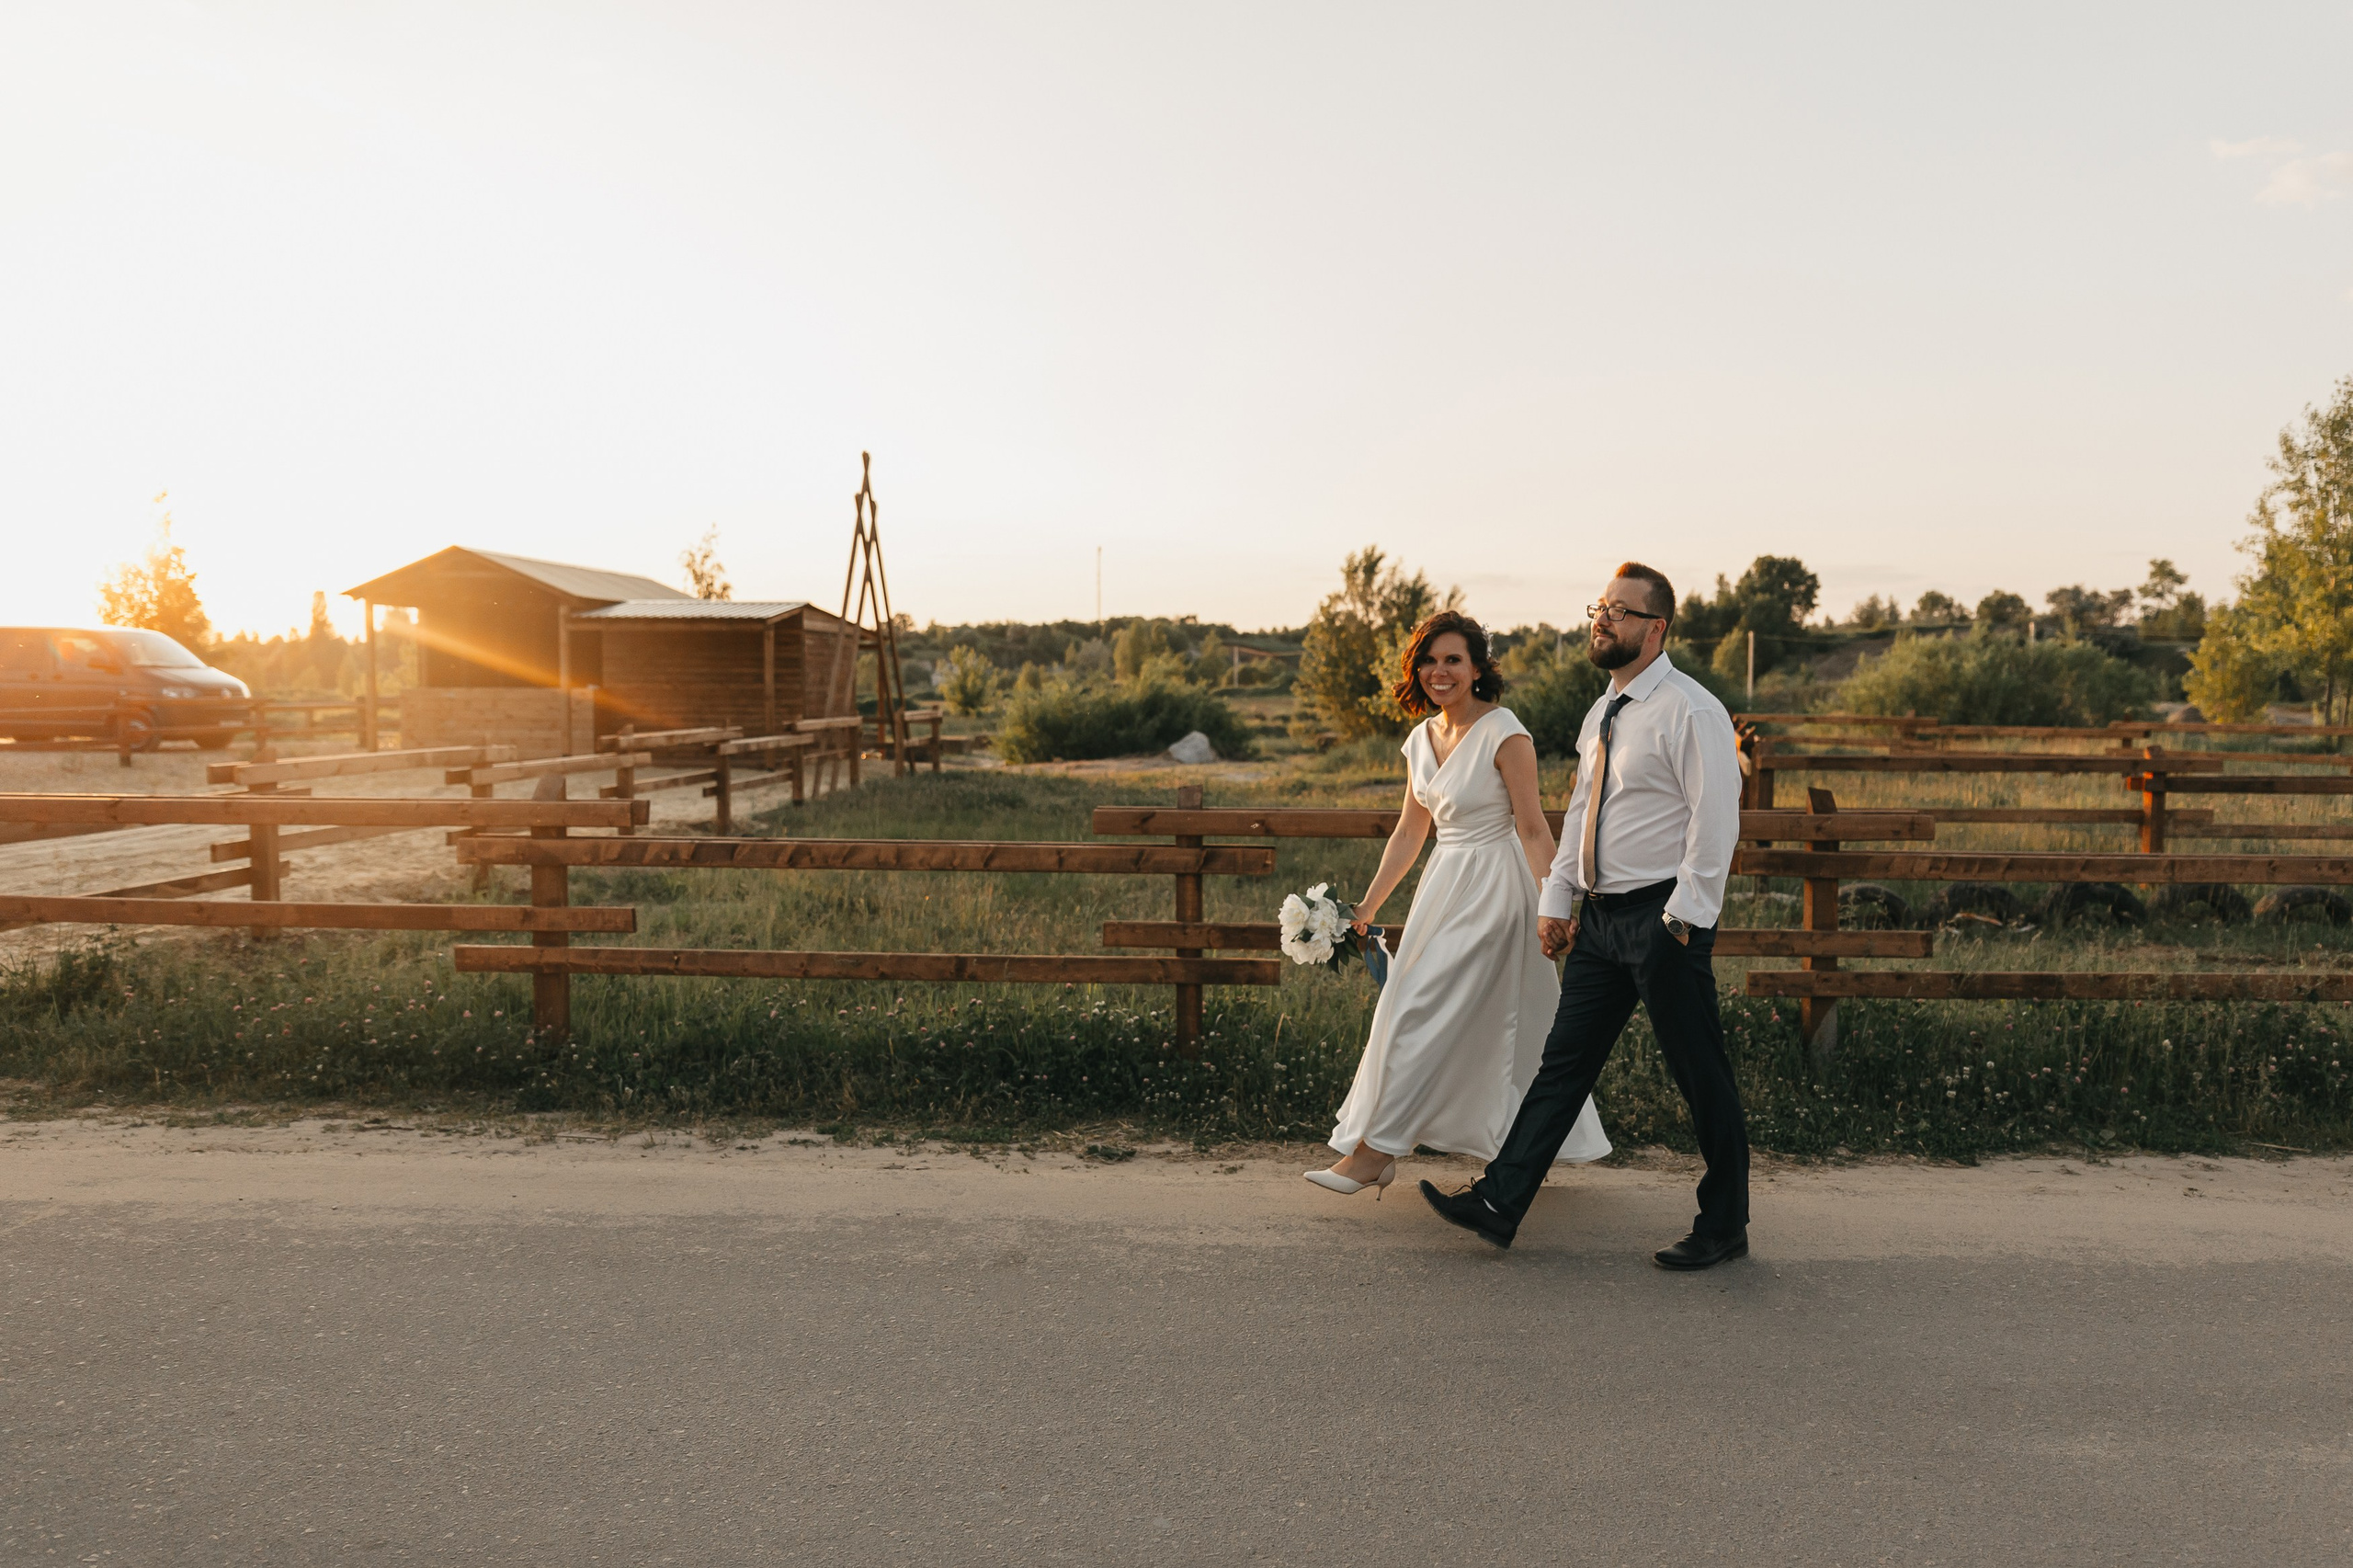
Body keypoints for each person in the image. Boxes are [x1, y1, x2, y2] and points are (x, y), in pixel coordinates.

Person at [1419, 563, 1751, 1269]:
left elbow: (1716, 824)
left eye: (1621, 611)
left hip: (1662, 921)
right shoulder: (1603, 711)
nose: (1603, 619)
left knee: (1700, 1075)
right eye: (1600, 607)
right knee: (1562, 1067)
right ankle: (1499, 1202)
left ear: (1656, 629)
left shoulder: (1692, 710)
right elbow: (1580, 812)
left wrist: (1681, 920)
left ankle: (1725, 1224)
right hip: (1599, 926)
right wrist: (1557, 898)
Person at [1306, 610, 1609, 1197]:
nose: (1439, 671)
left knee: (1422, 1010)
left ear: (1476, 669)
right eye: (1429, 660)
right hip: (1443, 886)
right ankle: (1519, 1150)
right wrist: (1366, 907)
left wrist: (1555, 903)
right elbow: (1410, 831)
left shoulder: (1505, 733)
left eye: (1452, 660)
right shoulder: (1421, 739)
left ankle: (1374, 1153)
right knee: (1453, 1017)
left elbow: (1532, 828)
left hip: (1497, 888)